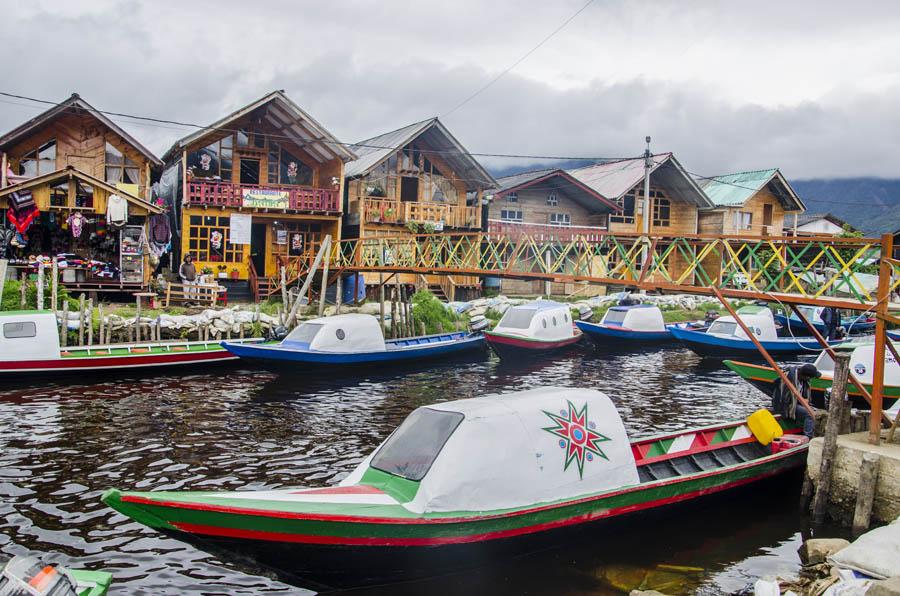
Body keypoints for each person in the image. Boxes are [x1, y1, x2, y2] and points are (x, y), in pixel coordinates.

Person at [772, 363, 821, 438]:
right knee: (810, 414)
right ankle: (808, 437)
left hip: (797, 403)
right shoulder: (788, 378)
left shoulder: (802, 379)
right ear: (804, 376)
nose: (810, 379)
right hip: (787, 405)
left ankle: (808, 429)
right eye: (809, 377)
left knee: (818, 412)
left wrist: (804, 400)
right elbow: (785, 397)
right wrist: (801, 400)